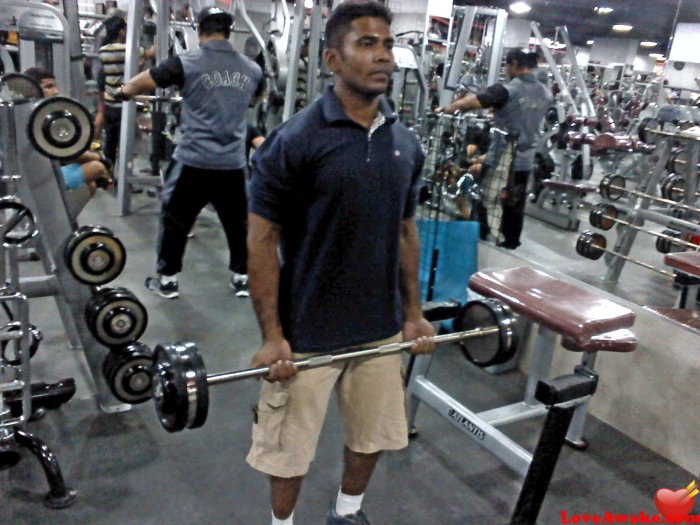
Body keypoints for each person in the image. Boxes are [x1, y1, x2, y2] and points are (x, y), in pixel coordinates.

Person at [245, 3, 436, 525]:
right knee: (287, 448)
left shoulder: (405, 142)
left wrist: (414, 313)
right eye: (367, 44)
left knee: (372, 433)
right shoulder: (296, 140)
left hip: (377, 325)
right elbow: (261, 242)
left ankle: (347, 511)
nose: (384, 57)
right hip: (307, 331)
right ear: (333, 57)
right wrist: (271, 334)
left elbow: (404, 229)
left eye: (388, 45)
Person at [115, 7, 264, 300]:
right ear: (228, 32)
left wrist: (124, 90)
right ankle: (241, 278)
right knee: (238, 223)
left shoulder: (186, 62)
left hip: (193, 161)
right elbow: (256, 98)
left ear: (199, 30)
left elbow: (144, 81)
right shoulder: (253, 69)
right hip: (232, 163)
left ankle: (168, 281)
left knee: (175, 220)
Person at [441, 49, 552, 249]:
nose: (506, 71)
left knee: (484, 200)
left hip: (502, 158)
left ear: (514, 64)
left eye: (507, 66)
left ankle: (479, 242)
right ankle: (510, 244)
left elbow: (473, 103)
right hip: (526, 161)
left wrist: (447, 109)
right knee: (515, 204)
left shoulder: (508, 89)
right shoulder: (545, 93)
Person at [24, 68, 114, 195]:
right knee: (97, 168)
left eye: (55, 86)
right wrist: (100, 158)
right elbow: (66, 153)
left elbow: (65, 151)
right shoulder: (33, 119)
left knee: (92, 180)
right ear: (32, 89)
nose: (55, 91)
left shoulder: (44, 115)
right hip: (35, 179)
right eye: (49, 87)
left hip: (47, 168)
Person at [97, 16, 155, 165]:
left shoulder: (103, 51)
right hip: (124, 103)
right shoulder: (131, 50)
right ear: (121, 31)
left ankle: (108, 175)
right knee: (126, 144)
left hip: (110, 103)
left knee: (110, 141)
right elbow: (150, 53)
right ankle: (125, 179)